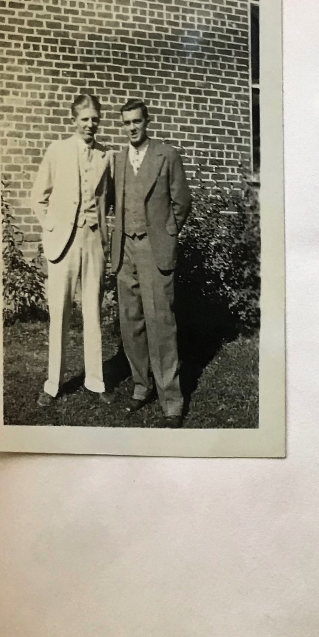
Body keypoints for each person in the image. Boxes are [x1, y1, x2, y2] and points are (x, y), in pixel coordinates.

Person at [108, 100, 192, 427]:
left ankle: (171, 399)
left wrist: (167, 234)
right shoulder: (118, 161)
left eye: (137, 122)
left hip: (154, 249)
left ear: (147, 121)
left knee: (161, 323)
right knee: (131, 322)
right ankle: (142, 385)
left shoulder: (166, 155)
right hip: (125, 248)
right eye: (126, 122)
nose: (132, 127)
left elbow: (182, 202)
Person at [32, 93, 113, 407]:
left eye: (94, 119)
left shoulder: (107, 156)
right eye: (84, 119)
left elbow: (110, 199)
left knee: (93, 311)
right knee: (60, 314)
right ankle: (53, 385)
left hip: (93, 241)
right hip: (63, 243)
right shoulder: (58, 150)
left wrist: (105, 233)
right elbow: (38, 196)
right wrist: (51, 226)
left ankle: (96, 382)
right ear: (74, 119)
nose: (90, 124)